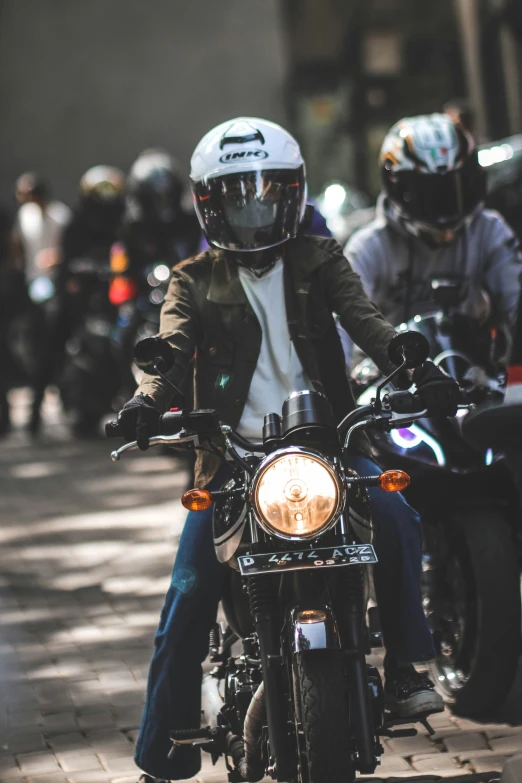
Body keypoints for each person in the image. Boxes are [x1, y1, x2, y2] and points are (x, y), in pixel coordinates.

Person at [113, 117, 459, 783]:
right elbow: (171, 346)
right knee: (189, 586)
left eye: (266, 193)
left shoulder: (319, 259)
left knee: (395, 516)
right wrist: (146, 400)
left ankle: (408, 669)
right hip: (231, 458)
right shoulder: (191, 278)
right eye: (236, 196)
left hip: (325, 444)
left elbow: (368, 321)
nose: (253, 208)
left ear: (291, 195)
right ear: (210, 204)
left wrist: (415, 364)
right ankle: (163, 746)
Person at [345, 114, 522, 331]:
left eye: (454, 186)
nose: (444, 203)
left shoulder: (489, 230)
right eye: (430, 191)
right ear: (398, 187)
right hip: (391, 363)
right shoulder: (368, 248)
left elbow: (516, 300)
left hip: (473, 361)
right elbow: (345, 323)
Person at [12, 173, 71, 433]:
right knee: (38, 350)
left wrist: (56, 259)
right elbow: (18, 246)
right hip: (32, 286)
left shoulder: (61, 215)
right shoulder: (25, 216)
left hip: (54, 287)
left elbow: (68, 249)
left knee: (51, 348)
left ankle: (52, 407)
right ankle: (37, 413)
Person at [122, 148, 200, 271]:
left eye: (168, 196)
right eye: (154, 199)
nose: (162, 206)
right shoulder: (132, 230)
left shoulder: (192, 224)